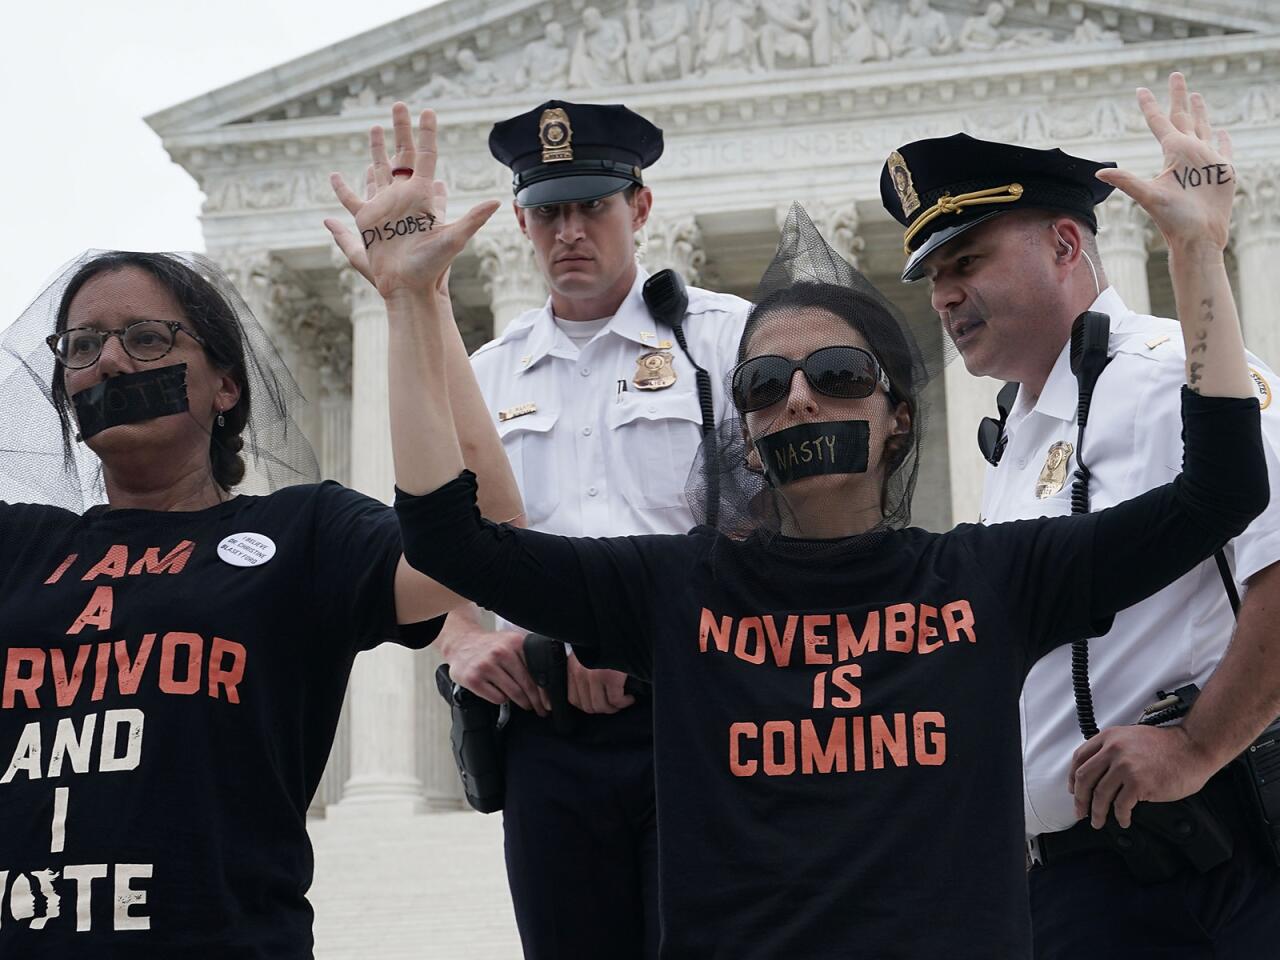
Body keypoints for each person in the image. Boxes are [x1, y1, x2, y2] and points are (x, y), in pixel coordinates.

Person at [386, 83, 1267, 957]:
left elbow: (1223, 494)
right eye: (766, 388)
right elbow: (448, 541)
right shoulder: (679, 590)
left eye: (840, 375)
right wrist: (412, 304)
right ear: (746, 434)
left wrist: (1197, 255)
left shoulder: (988, 574)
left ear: (900, 417)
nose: (801, 401)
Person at [0, 102, 517, 956]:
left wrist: (417, 301)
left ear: (226, 385)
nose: (112, 361)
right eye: (82, 346)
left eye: (146, 337)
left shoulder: (302, 534)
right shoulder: (20, 547)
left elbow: (491, 547)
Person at [885, 74, 1280, 957]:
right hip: (1074, 886)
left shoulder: (1168, 372)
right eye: (934, 276)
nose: (943, 296)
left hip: (1200, 876)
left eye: (967, 260)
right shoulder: (1021, 432)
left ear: (1067, 243)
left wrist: (1198, 746)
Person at [441, 99, 749, 959]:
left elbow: (783, 531)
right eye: (548, 212)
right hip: (549, 736)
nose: (568, 231)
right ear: (521, 223)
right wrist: (460, 636)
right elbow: (431, 546)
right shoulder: (483, 377)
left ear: (639, 208)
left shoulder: (720, 345)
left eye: (592, 207)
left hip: (698, 713)